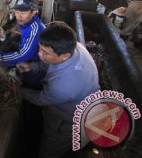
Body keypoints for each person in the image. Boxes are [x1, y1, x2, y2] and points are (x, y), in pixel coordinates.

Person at [17, 23, 100, 158]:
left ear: (65, 56)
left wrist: (18, 90)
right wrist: (33, 66)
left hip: (69, 122)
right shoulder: (74, 47)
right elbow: (52, 62)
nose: (39, 54)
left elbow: (40, 99)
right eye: (40, 48)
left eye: (45, 53)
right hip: (80, 102)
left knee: (49, 152)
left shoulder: (63, 86)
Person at [0, 0, 45, 89]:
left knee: (29, 89)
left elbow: (23, 55)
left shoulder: (34, 29)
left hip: (35, 72)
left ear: (33, 12)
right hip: (30, 65)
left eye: (23, 12)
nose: (19, 16)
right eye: (17, 12)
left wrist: (0, 57)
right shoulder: (28, 25)